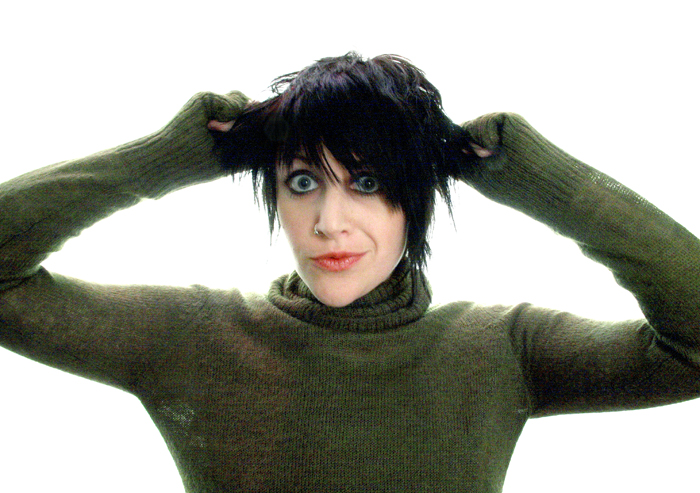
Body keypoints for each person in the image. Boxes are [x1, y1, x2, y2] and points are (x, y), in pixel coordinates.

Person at [0, 52, 698, 492]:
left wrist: (536, 178)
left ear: (415, 199)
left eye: (367, 182)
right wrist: (168, 157)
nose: (329, 221)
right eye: (303, 182)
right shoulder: (190, 337)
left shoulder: (503, 349)